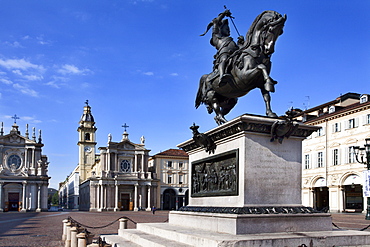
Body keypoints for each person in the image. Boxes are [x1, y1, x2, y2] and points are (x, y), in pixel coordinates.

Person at [200, 9, 238, 85]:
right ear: (221, 29)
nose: (229, 31)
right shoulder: (217, 38)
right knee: (224, 59)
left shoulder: (231, 40)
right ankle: (222, 76)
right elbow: (216, 22)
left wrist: (241, 43)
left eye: (229, 29)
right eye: (227, 29)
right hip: (224, 54)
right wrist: (223, 14)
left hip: (234, 55)